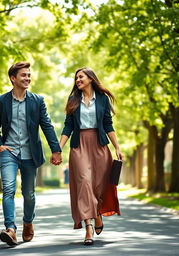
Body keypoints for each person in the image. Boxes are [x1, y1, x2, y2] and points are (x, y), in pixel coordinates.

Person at [0, 61, 62, 246]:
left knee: (29, 194)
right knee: (8, 189)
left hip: (30, 153)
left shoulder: (38, 101)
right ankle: (11, 229)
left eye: (29, 75)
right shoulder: (1, 101)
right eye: (23, 75)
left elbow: (46, 125)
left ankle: (28, 222)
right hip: (9, 152)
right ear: (13, 78)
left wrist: (56, 150)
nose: (27, 78)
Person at [58, 67, 123, 246]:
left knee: (99, 185)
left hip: (100, 145)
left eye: (81, 77)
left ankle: (98, 214)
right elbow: (68, 126)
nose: (77, 80)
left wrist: (117, 147)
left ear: (90, 79)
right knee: (84, 182)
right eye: (76, 78)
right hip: (79, 146)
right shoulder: (73, 100)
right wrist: (58, 148)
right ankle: (89, 227)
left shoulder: (102, 99)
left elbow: (108, 124)